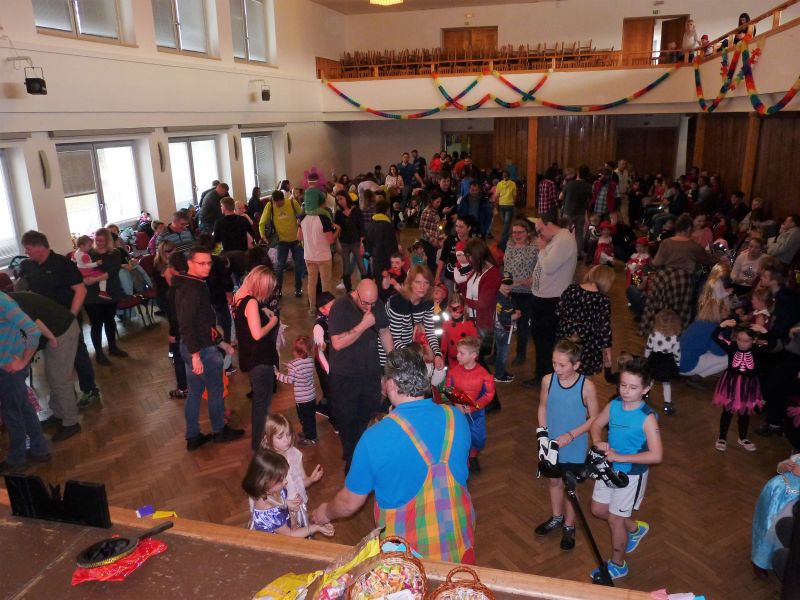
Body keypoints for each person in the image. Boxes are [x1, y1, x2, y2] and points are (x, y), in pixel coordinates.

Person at [312, 347, 475, 563]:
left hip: (407, 560)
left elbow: (349, 503)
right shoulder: (456, 417)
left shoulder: (374, 437)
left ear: (389, 384)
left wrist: (324, 512)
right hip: (458, 546)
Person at [589, 357, 663, 581]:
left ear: (646, 388)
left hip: (630, 475)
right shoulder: (613, 405)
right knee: (598, 510)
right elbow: (596, 424)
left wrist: (621, 456)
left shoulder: (648, 418)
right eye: (623, 385)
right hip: (608, 468)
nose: (626, 391)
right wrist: (597, 441)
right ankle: (635, 528)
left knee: (615, 520)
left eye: (633, 387)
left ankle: (618, 564)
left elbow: (656, 455)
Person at [18, 230, 101, 409]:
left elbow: (81, 291)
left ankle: (89, 390)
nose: (26, 252)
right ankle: (65, 398)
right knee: (54, 363)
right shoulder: (27, 266)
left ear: (40, 246)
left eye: (28, 248)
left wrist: (71, 316)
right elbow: (22, 292)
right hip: (42, 323)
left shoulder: (63, 264)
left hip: (66, 320)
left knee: (78, 354)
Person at [175, 246, 244, 450]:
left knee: (195, 392)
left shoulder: (191, 283)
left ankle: (193, 436)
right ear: (190, 263)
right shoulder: (192, 289)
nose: (206, 267)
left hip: (194, 347)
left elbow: (203, 323)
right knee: (215, 390)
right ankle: (219, 430)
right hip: (200, 350)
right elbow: (186, 325)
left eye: (209, 263)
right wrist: (196, 356)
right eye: (201, 263)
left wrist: (221, 342)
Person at [534, 339, 599, 551]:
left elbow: (594, 418)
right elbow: (543, 407)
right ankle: (556, 517)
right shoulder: (547, 381)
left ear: (576, 365)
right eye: (554, 363)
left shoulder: (587, 387)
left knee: (570, 488)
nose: (557, 369)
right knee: (553, 482)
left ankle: (569, 526)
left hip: (574, 445)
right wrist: (543, 433)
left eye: (562, 365)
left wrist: (572, 435)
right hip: (551, 443)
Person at [327, 279, 393, 471]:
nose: (369, 307)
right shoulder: (340, 307)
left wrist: (393, 364)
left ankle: (365, 457)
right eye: (365, 303)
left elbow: (384, 332)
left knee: (368, 418)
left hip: (370, 373)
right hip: (345, 377)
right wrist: (363, 325)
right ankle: (352, 462)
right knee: (347, 421)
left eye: (373, 303)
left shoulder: (376, 305)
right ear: (356, 293)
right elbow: (337, 343)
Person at [10, 291, 82, 442]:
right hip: (55, 331)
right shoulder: (9, 300)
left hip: (62, 331)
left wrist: (50, 338)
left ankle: (71, 422)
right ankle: (59, 414)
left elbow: (35, 326)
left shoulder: (10, 304)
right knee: (53, 376)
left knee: (60, 379)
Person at [641, 213, 717, 335]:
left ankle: (657, 332)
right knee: (679, 311)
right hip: (681, 281)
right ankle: (674, 334)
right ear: (688, 228)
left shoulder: (666, 242)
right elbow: (707, 259)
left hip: (663, 279)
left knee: (659, 308)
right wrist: (720, 258)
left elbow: (656, 263)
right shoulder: (692, 245)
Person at [0, 291, 50, 474]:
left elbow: (33, 331)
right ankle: (40, 450)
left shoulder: (2, 302)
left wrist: (22, 361)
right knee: (23, 408)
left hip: (10, 369)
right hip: (5, 367)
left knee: (12, 413)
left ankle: (17, 459)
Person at [232, 265, 280, 451]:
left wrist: (263, 310)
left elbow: (247, 318)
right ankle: (258, 444)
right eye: (267, 289)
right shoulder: (251, 302)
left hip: (248, 356)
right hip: (259, 359)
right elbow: (257, 334)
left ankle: (260, 441)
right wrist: (273, 322)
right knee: (262, 403)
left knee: (260, 401)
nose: (268, 293)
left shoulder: (239, 295)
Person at [526, 217, 578, 387]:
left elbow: (548, 267)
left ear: (549, 224)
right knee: (540, 340)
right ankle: (542, 375)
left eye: (541, 230)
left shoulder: (563, 240)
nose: (540, 235)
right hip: (543, 298)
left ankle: (545, 377)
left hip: (551, 300)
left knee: (545, 342)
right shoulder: (557, 239)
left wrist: (542, 249)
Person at [243, 449, 334, 537]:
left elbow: (278, 503)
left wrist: (287, 504)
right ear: (264, 483)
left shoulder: (271, 490)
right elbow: (290, 535)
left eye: (284, 477)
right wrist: (316, 527)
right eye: (280, 480)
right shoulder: (269, 514)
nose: (286, 481)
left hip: (285, 526)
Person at [713, 320, 766, 452]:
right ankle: (722, 437)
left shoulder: (758, 350)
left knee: (745, 413)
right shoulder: (731, 347)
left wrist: (764, 331)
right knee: (727, 411)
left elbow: (773, 343)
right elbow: (715, 337)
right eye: (739, 340)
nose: (742, 343)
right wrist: (723, 325)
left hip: (748, 386)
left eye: (746, 341)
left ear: (754, 341)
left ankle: (742, 437)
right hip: (731, 384)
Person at [445, 336, 495, 474]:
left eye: (461, 353)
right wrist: (457, 404)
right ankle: (464, 460)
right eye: (458, 352)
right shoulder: (453, 372)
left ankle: (472, 456)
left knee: (478, 438)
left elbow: (488, 395)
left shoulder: (484, 375)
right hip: (458, 413)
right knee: (460, 437)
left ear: (473, 355)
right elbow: (449, 389)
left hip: (476, 414)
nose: (457, 355)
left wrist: (474, 407)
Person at [556, 265, 613, 378]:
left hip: (566, 335)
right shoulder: (603, 300)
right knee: (585, 376)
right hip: (589, 341)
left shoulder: (572, 289)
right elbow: (604, 327)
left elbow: (558, 310)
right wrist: (607, 350)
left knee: (563, 367)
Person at [261, 414, 324, 512]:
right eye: (280, 437)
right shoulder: (267, 463)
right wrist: (285, 504)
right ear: (267, 438)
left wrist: (311, 480)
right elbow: (263, 496)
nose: (287, 440)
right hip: (278, 511)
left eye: (289, 434)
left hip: (297, 505)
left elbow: (301, 482)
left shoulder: (295, 454)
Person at [83, 228, 126, 366]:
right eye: (97, 240)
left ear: (108, 240)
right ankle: (99, 353)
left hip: (110, 292)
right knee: (96, 324)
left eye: (102, 240)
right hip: (92, 295)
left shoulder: (115, 253)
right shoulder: (89, 253)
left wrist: (94, 279)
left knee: (110, 321)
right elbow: (81, 268)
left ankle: (113, 347)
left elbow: (112, 272)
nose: (99, 243)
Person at [751, 454, 800, 576]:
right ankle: (760, 561)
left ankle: (780, 560)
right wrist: (785, 466)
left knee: (786, 535)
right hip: (777, 493)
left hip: (794, 503)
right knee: (767, 527)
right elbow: (779, 468)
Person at [298, 187, 339, 314]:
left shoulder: (302, 217)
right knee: (326, 284)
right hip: (323, 257)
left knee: (311, 283)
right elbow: (330, 240)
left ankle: (312, 309)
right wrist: (338, 230)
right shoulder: (324, 218)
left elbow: (299, 237)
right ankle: (326, 310)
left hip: (309, 256)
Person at [503, 219, 537, 366]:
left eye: (520, 232)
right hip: (509, 290)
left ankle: (520, 354)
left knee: (523, 325)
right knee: (502, 322)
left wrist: (532, 279)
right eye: (514, 232)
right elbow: (507, 265)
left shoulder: (534, 247)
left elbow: (540, 267)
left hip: (526, 292)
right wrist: (505, 283)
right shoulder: (509, 244)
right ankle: (498, 353)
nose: (517, 235)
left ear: (527, 232)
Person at [259, 190, 304, 298]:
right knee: (279, 266)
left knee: (299, 265)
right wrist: (262, 235)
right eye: (276, 202)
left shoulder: (292, 202)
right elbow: (262, 222)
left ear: (283, 199)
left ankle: (298, 288)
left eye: (280, 202)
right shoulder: (270, 205)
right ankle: (278, 290)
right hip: (281, 241)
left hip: (296, 240)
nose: (278, 204)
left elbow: (302, 216)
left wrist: (301, 224)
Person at [275, 335, 318, 445]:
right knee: (310, 417)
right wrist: (290, 367)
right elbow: (301, 369)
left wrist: (277, 374)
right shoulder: (310, 360)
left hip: (302, 399)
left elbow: (289, 380)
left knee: (304, 419)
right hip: (311, 397)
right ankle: (308, 433)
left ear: (295, 351)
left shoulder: (293, 365)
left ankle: (311, 438)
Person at [644, 309, 682, 415]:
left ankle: (644, 394)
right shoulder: (675, 338)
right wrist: (677, 363)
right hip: (667, 362)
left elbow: (648, 348)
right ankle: (667, 405)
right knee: (666, 383)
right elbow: (677, 352)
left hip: (654, 359)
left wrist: (645, 359)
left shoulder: (653, 335)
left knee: (650, 379)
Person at [334, 190, 364, 292]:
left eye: (341, 198)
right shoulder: (338, 213)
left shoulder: (356, 211)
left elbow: (361, 227)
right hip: (344, 243)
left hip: (356, 241)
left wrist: (362, 242)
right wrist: (337, 242)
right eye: (337, 200)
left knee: (361, 265)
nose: (339, 201)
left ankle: (366, 287)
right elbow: (337, 229)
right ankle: (348, 290)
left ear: (346, 198)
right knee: (346, 266)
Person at [561, 165, 593, 257]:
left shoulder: (570, 184)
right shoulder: (588, 185)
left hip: (568, 212)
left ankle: (564, 251)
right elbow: (590, 198)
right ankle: (578, 253)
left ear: (578, 173)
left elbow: (560, 196)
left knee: (565, 233)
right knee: (579, 234)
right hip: (581, 212)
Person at [493, 272, 519, 383]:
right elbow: (502, 317)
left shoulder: (507, 296)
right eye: (504, 284)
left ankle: (501, 371)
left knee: (502, 352)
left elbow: (510, 308)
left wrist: (515, 311)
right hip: (502, 330)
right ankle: (499, 375)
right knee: (502, 354)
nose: (507, 286)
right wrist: (514, 316)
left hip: (505, 329)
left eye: (509, 283)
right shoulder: (500, 299)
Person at [364, 198, 397, 285]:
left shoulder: (370, 225)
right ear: (386, 211)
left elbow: (367, 246)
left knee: (378, 281)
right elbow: (391, 247)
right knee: (387, 284)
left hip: (375, 260)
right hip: (386, 261)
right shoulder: (388, 226)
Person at [441, 293, 478, 368]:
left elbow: (475, 344)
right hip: (452, 361)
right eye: (452, 309)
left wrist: (474, 359)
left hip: (467, 361)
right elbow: (444, 344)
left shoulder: (469, 324)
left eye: (459, 309)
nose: (455, 313)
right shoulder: (446, 324)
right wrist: (442, 359)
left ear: (463, 308)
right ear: (449, 308)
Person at [73, 235, 110, 300]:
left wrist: (79, 264)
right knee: (103, 276)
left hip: (80, 271)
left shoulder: (76, 253)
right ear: (82, 246)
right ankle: (103, 291)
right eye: (89, 246)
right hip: (87, 271)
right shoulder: (84, 255)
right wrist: (97, 263)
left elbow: (73, 260)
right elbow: (88, 265)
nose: (91, 247)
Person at [494, 171, 517, 248]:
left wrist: (495, 205)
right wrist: (513, 203)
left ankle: (505, 237)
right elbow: (514, 195)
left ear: (502, 176)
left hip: (501, 205)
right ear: (509, 176)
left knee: (505, 222)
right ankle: (503, 238)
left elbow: (497, 195)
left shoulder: (499, 184)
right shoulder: (513, 184)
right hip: (509, 205)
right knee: (507, 223)